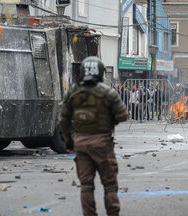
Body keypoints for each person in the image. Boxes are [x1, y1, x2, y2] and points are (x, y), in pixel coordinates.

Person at [59, 56, 128, 216]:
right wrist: (111, 119)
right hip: (102, 143)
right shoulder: (108, 93)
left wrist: (69, 142)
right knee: (109, 185)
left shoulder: (73, 92)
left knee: (86, 185)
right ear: (101, 72)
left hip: (81, 144)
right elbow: (123, 115)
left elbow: (63, 120)